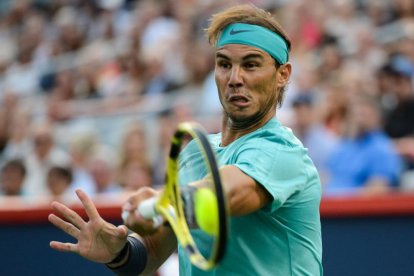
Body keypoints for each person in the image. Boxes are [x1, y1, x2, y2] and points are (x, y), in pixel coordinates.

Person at [48, 4, 323, 276]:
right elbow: (153, 252)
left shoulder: (282, 151)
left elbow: (226, 194)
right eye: (224, 64)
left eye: (251, 65)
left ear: (282, 75)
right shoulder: (194, 155)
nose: (235, 78)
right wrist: (119, 252)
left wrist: (161, 203)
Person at [324, 94, 403, 196]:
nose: (358, 119)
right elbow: (325, 176)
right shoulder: (344, 146)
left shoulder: (382, 148)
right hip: (327, 206)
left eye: (364, 114)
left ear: (376, 117)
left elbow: (377, 188)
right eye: (355, 114)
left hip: (355, 208)